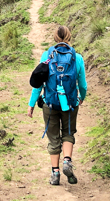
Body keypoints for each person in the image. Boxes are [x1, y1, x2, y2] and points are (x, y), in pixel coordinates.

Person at [28, 26, 87, 186]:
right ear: (69, 37)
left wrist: (32, 104)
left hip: (50, 103)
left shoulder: (47, 55)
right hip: (70, 103)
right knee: (68, 133)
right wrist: (81, 97)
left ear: (55, 37)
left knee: (53, 138)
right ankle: (67, 161)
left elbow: (39, 83)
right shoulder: (77, 58)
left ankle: (55, 174)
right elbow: (82, 84)